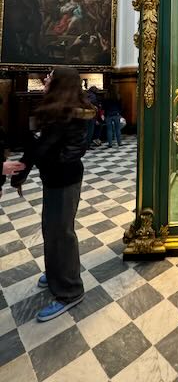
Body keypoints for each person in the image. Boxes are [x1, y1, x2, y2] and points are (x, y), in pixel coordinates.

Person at [11, 68, 95, 321]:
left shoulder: (75, 114)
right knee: (51, 230)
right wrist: (25, 169)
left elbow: (69, 153)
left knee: (62, 234)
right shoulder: (54, 111)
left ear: (61, 83)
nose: (45, 79)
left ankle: (70, 290)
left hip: (65, 180)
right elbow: (37, 146)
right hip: (53, 179)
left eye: (50, 76)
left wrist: (39, 159)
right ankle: (56, 272)